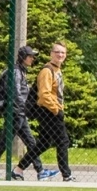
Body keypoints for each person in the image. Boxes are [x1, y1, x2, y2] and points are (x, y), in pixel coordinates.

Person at [16, 42, 75, 182]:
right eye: (57, 52)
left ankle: (18, 169)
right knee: (63, 141)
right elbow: (44, 95)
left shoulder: (57, 70)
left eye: (63, 53)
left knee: (44, 142)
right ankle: (66, 175)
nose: (60, 55)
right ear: (51, 54)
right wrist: (57, 110)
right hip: (48, 111)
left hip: (52, 110)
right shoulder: (47, 71)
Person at [0, 45, 39, 179]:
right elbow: (15, 93)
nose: (32, 59)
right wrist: (24, 109)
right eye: (30, 56)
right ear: (23, 57)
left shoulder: (20, 71)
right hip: (16, 113)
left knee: (30, 142)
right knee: (5, 142)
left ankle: (40, 170)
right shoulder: (16, 72)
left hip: (19, 113)